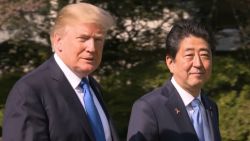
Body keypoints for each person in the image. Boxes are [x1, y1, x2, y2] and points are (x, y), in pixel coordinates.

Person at [3, 3, 119, 141]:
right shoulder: (30, 91)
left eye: (98, 39)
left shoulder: (92, 87)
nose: (92, 48)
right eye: (83, 38)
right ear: (58, 41)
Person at [127, 20, 221, 141]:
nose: (198, 63)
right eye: (189, 55)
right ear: (170, 62)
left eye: (204, 55)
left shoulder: (211, 107)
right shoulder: (149, 107)